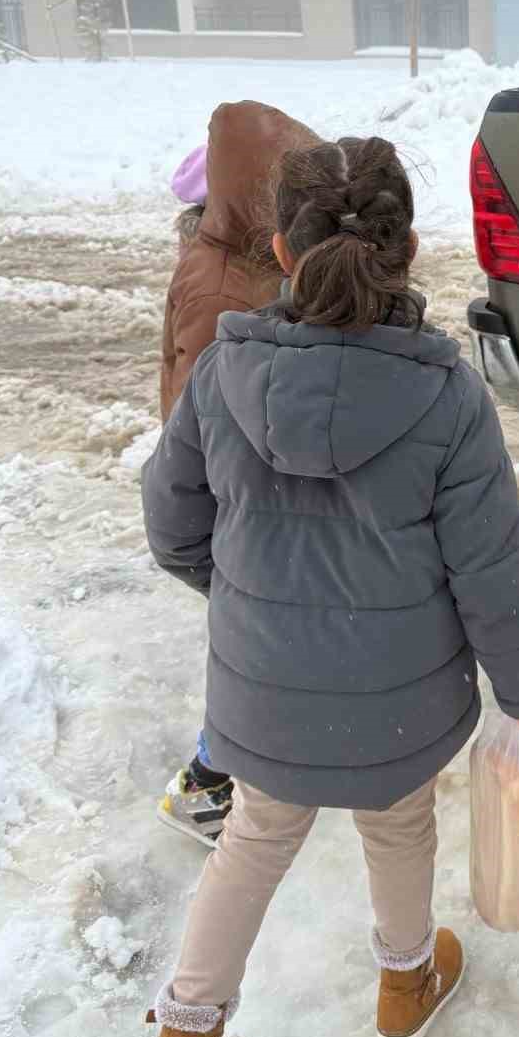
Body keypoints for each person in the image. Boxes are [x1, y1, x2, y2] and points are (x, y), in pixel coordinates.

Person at [130, 136, 519, 1037]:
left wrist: (249, 604)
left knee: (251, 841)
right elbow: (493, 572)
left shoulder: (223, 373)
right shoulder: (446, 393)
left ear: (282, 250)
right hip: (400, 702)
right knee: (401, 821)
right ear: (408, 246)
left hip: (263, 695)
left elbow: (172, 526)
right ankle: (406, 980)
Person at [157, 100, 317, 849]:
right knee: (251, 651)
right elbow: (204, 415)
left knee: (254, 645)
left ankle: (227, 765)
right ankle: (206, 785)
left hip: (241, 500)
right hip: (232, 506)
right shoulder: (221, 289)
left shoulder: (242, 266)